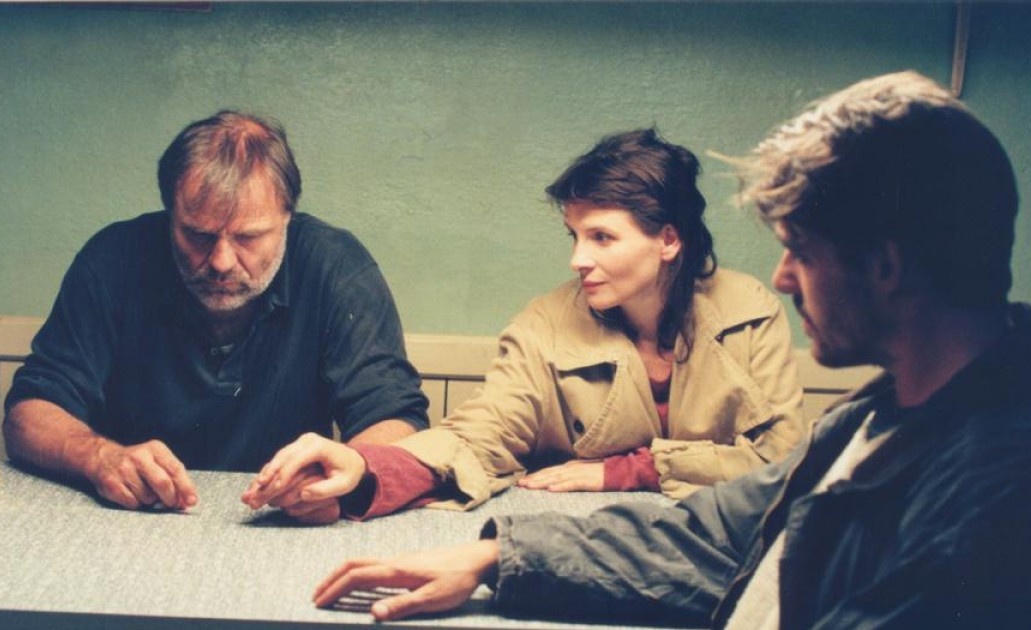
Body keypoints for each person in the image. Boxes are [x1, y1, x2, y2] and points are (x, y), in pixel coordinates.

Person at [311, 71, 1031, 628]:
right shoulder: (878, 420)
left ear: (886, 266)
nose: (782, 278)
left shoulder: (1016, 490)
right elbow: (709, 536)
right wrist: (492, 556)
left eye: (800, 250)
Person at [241, 129, 804, 521]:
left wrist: (624, 472)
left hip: (724, 546)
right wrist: (363, 470)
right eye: (575, 236)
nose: (578, 259)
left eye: (602, 237)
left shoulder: (749, 312)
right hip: (582, 546)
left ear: (669, 239)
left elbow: (781, 463)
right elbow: (480, 435)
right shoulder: (546, 324)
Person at [3, 111, 429, 520]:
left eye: (248, 237)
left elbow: (397, 418)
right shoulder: (113, 259)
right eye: (199, 235)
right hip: (129, 519)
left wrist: (349, 472)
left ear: (287, 217)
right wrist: (100, 457)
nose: (222, 261)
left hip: (280, 524)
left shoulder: (337, 268)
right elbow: (27, 416)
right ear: (170, 215)